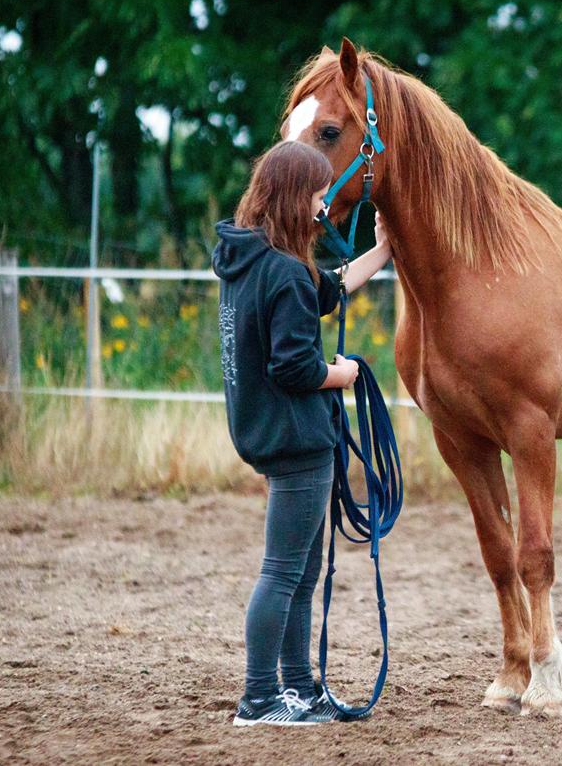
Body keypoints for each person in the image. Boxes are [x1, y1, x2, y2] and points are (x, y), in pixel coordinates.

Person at [212, 140, 393, 726]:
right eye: (318, 196)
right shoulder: (286, 273)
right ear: (296, 198)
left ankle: (297, 687)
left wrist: (382, 250)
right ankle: (260, 697)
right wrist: (344, 374)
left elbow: (330, 286)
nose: (323, 207)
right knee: (283, 572)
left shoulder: (253, 262)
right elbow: (293, 366)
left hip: (269, 433)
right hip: (297, 441)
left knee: (302, 571)